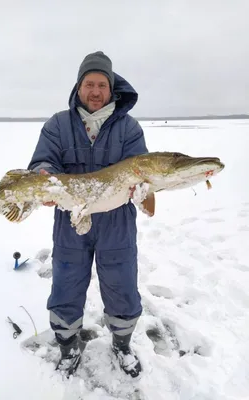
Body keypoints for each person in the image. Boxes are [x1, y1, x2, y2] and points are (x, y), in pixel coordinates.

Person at [28, 51, 155, 378]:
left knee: (122, 285)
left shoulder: (129, 128)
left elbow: (141, 168)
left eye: (101, 84)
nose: (95, 91)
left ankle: (122, 344)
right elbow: (43, 162)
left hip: (117, 223)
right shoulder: (58, 124)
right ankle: (68, 346)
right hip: (71, 218)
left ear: (111, 89)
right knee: (66, 285)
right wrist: (44, 177)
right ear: (79, 86)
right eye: (89, 84)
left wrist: (143, 189)